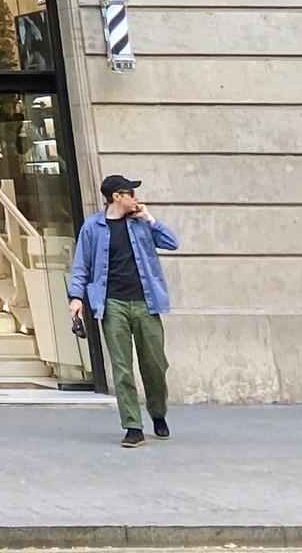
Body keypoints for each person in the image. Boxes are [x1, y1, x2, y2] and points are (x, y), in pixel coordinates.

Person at [68, 174, 183, 447]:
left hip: (146, 303)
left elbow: (172, 242)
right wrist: (75, 297)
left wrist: (150, 219)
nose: (136, 197)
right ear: (116, 197)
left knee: (155, 365)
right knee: (122, 369)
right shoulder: (93, 227)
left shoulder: (141, 223)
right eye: (130, 193)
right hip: (112, 304)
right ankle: (133, 426)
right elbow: (81, 265)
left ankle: (158, 412)